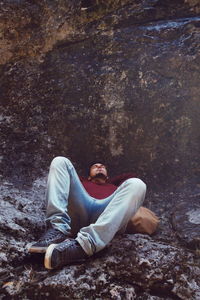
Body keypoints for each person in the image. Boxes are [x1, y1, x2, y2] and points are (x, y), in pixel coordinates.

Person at [28, 156, 146, 270]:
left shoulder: (115, 187)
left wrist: (109, 180)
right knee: (60, 161)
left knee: (138, 184)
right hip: (79, 210)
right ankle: (57, 230)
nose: (99, 167)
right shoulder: (82, 181)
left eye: (102, 166)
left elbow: (132, 176)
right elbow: (62, 182)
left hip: (105, 215)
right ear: (88, 175)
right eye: (95, 166)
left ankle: (83, 247)